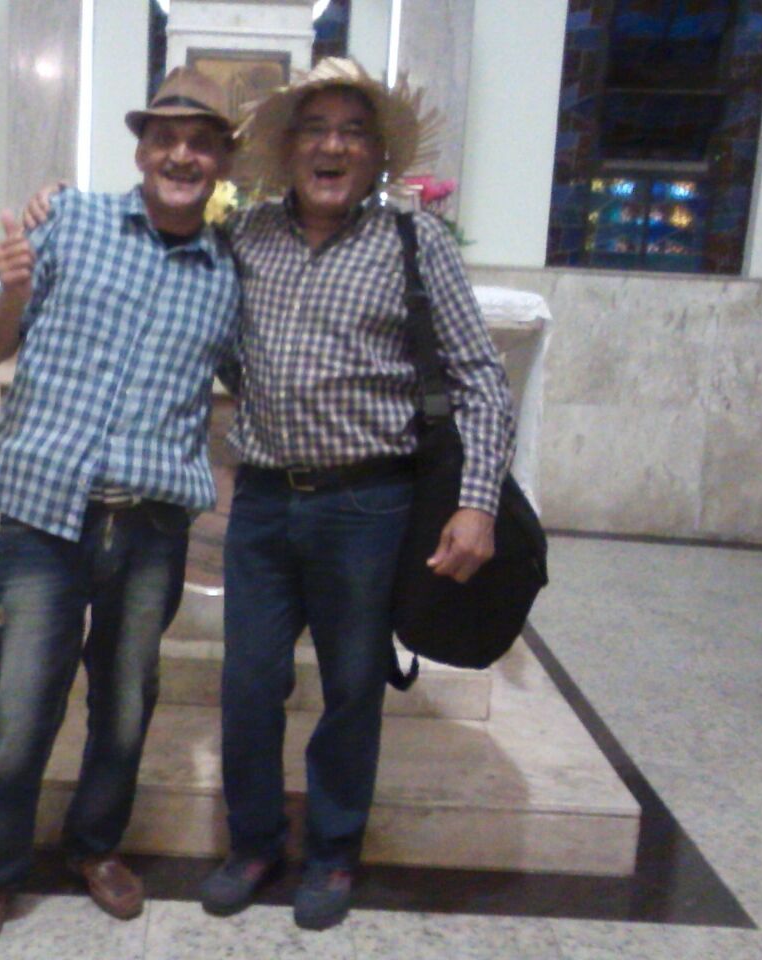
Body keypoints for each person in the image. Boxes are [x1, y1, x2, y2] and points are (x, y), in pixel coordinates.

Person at [196, 58, 517, 930]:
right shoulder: (247, 238)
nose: (331, 147)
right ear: (288, 148)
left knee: (350, 690)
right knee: (249, 684)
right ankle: (254, 843)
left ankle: (334, 852)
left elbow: (480, 378)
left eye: (352, 132)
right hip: (264, 503)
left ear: (377, 155)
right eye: (315, 129)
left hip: (368, 507)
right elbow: (215, 342)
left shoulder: (415, 243)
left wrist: (477, 501)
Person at [0, 67, 239, 956]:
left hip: (150, 524)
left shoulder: (229, 273)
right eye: (165, 138)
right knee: (18, 708)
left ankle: (95, 846)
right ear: (140, 150)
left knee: (125, 702)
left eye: (200, 143)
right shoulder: (68, 221)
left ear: (222, 163)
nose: (181, 155)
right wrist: (11, 290)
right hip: (45, 514)